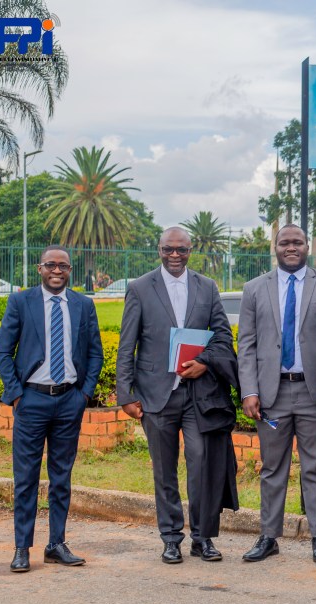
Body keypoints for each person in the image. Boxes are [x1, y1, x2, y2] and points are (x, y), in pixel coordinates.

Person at [116, 226, 234, 564]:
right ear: (159, 249)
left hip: (198, 396)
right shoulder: (140, 288)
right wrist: (126, 394)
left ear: (190, 250)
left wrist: (204, 363)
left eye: (182, 249)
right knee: (164, 471)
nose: (175, 255)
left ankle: (203, 538)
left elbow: (222, 337)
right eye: (169, 249)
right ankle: (171, 538)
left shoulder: (207, 287)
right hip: (156, 396)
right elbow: (127, 346)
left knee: (201, 466)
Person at [0, 246, 104, 572]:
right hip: (32, 401)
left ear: (70, 270)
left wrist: (84, 394)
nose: (57, 270)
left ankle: (56, 544)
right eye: (51, 265)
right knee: (26, 478)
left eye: (63, 266)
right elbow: (3, 350)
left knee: (61, 478)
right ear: (40, 268)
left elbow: (95, 352)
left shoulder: (83, 305)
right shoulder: (21, 302)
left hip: (69, 401)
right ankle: (22, 548)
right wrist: (16, 395)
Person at [238, 224, 316, 564]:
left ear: (308, 245)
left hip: (313, 394)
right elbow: (246, 344)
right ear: (275, 247)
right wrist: (249, 390)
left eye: (297, 242)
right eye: (284, 242)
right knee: (272, 467)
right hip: (272, 397)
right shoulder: (254, 289)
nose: (291, 247)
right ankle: (269, 536)